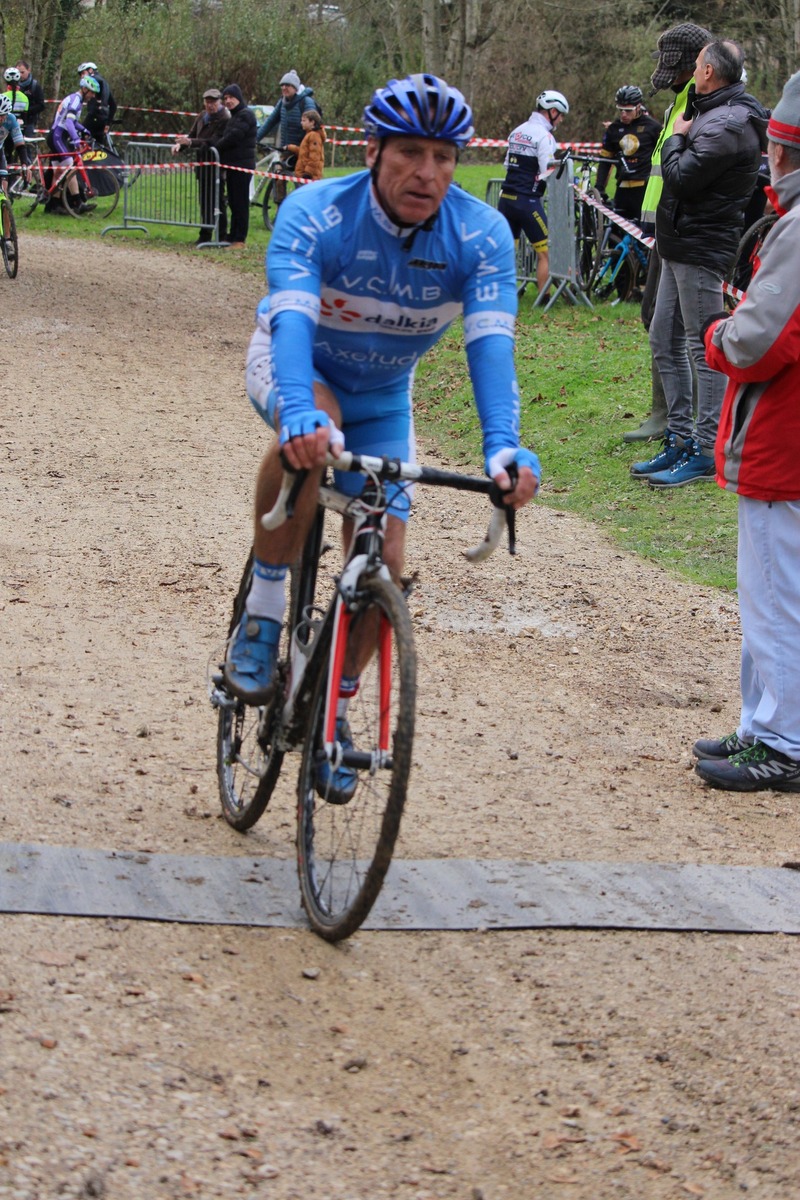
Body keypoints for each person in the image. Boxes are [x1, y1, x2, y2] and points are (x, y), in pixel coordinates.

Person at [225, 73, 540, 781]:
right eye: (410, 153)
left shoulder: (480, 236)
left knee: (386, 559)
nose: (428, 173)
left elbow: (492, 350)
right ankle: (264, 608)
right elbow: (293, 325)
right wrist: (300, 413)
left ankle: (331, 703)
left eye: (444, 157)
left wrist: (503, 447)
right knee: (313, 435)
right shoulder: (316, 212)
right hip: (300, 367)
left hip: (384, 394)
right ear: (372, 151)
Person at [693, 70, 800, 793]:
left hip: (782, 443)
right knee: (775, 595)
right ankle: (764, 725)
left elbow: (759, 341)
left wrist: (716, 335)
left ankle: (783, 740)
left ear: (782, 152)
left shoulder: (796, 229)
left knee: (773, 600)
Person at [631, 39, 767, 488]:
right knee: (663, 337)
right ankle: (680, 436)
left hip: (701, 247)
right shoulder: (708, 109)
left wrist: (675, 136)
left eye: (696, 65)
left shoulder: (729, 122)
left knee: (702, 347)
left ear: (708, 71)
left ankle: (708, 449)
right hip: (678, 242)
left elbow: (682, 178)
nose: (691, 71)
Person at [622, 22, 713, 444]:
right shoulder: (681, 99)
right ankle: (671, 414)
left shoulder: (697, 103)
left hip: (681, 230)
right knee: (658, 320)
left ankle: (678, 417)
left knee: (677, 328)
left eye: (672, 65)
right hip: (664, 227)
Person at [497, 90, 569, 297]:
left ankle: (502, 295)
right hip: (527, 202)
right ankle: (544, 300)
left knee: (506, 253)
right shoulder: (545, 136)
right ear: (553, 112)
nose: (561, 120)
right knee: (546, 253)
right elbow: (547, 170)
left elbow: (507, 165)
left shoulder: (517, 131)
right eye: (561, 115)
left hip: (506, 200)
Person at [171, 87, 230, 243]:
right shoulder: (202, 116)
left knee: (218, 202)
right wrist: (180, 146)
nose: (210, 105)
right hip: (202, 166)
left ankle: (221, 235)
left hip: (216, 166)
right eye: (207, 102)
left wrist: (190, 142)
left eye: (213, 102)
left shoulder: (225, 118)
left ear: (219, 102)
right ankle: (205, 235)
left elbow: (213, 141)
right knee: (204, 202)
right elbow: (191, 135)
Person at [595, 86, 661, 223]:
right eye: (620, 110)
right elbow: (605, 161)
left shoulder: (653, 127)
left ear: (639, 107)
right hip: (622, 187)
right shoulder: (613, 129)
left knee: (644, 231)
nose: (624, 114)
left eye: (628, 110)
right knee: (616, 229)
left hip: (645, 188)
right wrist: (599, 188)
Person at [255, 70, 320, 205]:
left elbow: (315, 127)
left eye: (288, 85)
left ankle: (303, 212)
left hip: (304, 152)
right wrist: (255, 138)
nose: (284, 88)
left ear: (295, 88)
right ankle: (281, 211)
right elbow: (270, 122)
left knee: (303, 187)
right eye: (282, 85)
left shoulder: (306, 102)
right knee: (278, 179)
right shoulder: (282, 103)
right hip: (286, 150)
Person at [46, 74, 97, 213]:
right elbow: (68, 123)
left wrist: (84, 130)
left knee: (59, 172)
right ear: (85, 89)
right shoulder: (76, 100)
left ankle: (54, 205)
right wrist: (76, 139)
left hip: (57, 136)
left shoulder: (76, 100)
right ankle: (78, 203)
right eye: (92, 92)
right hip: (58, 136)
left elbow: (73, 122)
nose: (93, 96)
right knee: (70, 168)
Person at [215, 83, 257, 247]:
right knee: (233, 201)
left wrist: (216, 147)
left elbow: (234, 137)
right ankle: (232, 235)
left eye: (231, 97)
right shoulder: (234, 116)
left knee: (240, 202)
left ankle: (240, 238)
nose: (228, 101)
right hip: (232, 165)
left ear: (238, 98)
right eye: (225, 98)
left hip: (242, 165)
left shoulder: (245, 115)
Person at [77, 61, 117, 150]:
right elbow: (113, 105)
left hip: (94, 116)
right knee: (99, 148)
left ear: (91, 70)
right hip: (103, 120)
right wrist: (108, 123)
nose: (82, 77)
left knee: (79, 136)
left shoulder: (94, 79)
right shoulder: (105, 83)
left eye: (83, 73)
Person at [285, 108, 325, 181]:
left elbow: (315, 156)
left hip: (309, 176)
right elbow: (304, 151)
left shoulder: (314, 136)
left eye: (304, 121)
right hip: (302, 174)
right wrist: (290, 147)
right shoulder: (309, 134)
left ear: (312, 122)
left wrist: (308, 173)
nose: (301, 123)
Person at [14, 60, 45, 139]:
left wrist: (27, 111)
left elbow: (41, 105)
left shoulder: (35, 86)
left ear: (28, 70)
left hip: (29, 121)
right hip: (14, 121)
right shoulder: (13, 85)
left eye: (22, 72)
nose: (20, 75)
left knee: (27, 143)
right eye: (18, 73)